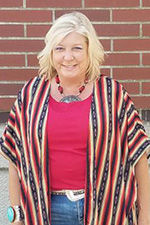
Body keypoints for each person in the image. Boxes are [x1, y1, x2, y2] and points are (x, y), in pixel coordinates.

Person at [0, 11, 150, 225]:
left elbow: (139, 157)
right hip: (46, 212)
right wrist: (15, 215)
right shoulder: (31, 94)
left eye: (77, 48)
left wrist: (145, 216)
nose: (68, 57)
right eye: (60, 48)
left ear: (90, 51)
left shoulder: (112, 94)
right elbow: (15, 156)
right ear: (51, 52)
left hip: (107, 211)